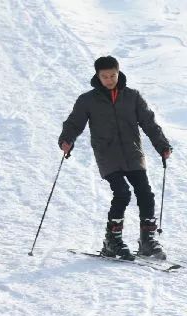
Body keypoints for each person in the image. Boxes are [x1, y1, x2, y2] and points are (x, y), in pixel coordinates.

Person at [58, 56, 172, 260]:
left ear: (118, 73)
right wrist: (67, 140)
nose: (109, 80)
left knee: (145, 193)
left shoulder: (132, 97)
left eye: (113, 75)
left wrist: (162, 145)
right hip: (107, 154)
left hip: (133, 153)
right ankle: (112, 241)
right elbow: (74, 123)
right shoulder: (88, 100)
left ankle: (147, 241)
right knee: (122, 193)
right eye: (105, 76)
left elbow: (149, 123)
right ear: (98, 76)